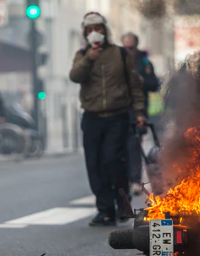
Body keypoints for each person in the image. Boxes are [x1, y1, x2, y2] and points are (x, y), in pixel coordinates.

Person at [69, 12, 147, 226]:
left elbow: (135, 86)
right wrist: (88, 59)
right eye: (90, 29)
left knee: (113, 161)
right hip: (92, 118)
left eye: (99, 27)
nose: (95, 32)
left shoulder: (120, 54)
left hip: (117, 117)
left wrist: (139, 112)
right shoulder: (82, 54)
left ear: (105, 30)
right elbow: (75, 76)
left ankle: (123, 204)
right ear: (85, 33)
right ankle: (104, 210)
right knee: (94, 165)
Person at [121, 32, 160, 196]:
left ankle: (136, 181)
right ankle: (124, 180)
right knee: (119, 149)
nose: (129, 50)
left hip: (137, 112)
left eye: (131, 47)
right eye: (126, 47)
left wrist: (142, 80)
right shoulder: (118, 62)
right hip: (119, 111)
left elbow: (154, 84)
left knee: (134, 147)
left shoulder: (144, 63)